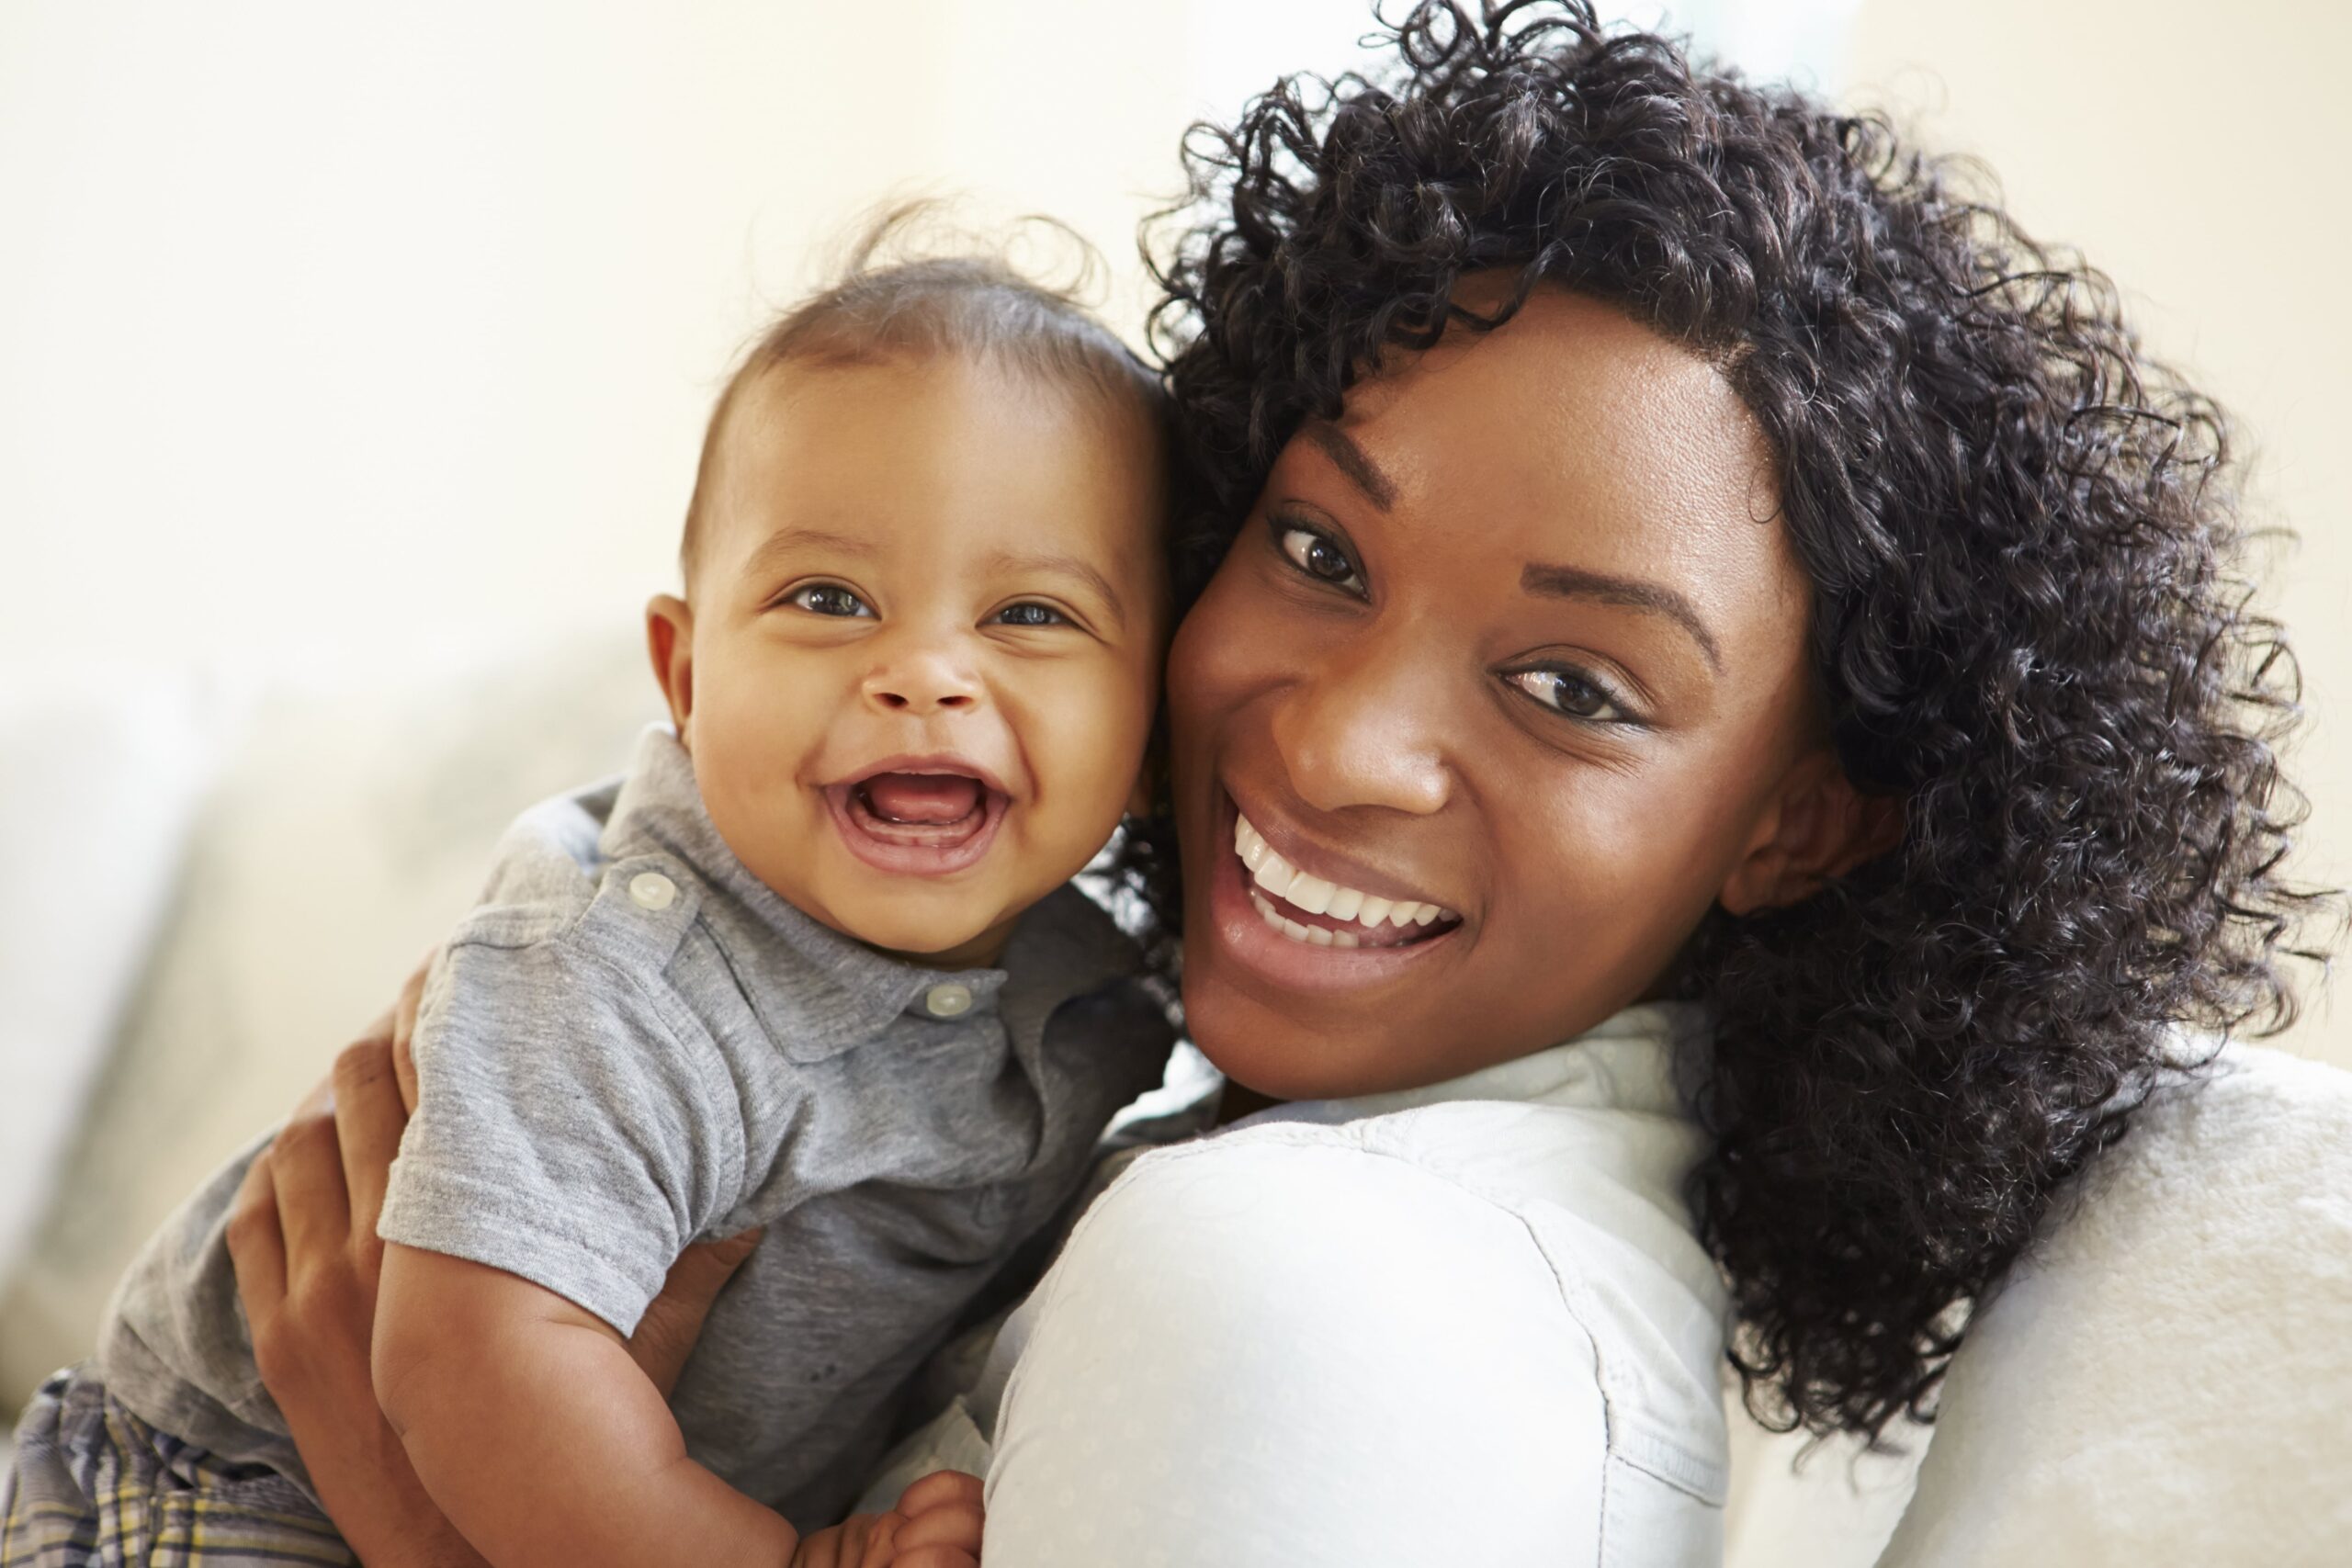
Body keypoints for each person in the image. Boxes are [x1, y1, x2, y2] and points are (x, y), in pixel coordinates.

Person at [135, 1, 2335, 1562]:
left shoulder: (1288, 1286)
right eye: (1310, 547)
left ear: (1801, 811)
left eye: (1570, 681)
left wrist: (433, 1528)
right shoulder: (1108, 1030)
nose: (1340, 738)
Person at [0, 237, 1188, 1568]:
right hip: (222, 1486)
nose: (922, 671)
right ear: (684, 677)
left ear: (1150, 734)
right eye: (829, 598)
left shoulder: (1095, 1001)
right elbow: (477, 1364)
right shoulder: (621, 972)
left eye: (1029, 613)